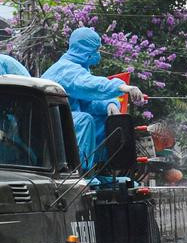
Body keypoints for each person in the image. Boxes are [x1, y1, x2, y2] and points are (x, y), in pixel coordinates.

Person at [41, 27, 145, 169]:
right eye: (95, 50)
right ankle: (80, 171)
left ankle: (100, 169)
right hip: (50, 123)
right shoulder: (65, 69)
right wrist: (122, 87)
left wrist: (109, 105)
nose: (98, 54)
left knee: (105, 121)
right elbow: (90, 85)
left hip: (62, 120)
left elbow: (87, 102)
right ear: (86, 50)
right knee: (85, 120)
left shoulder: (78, 68)